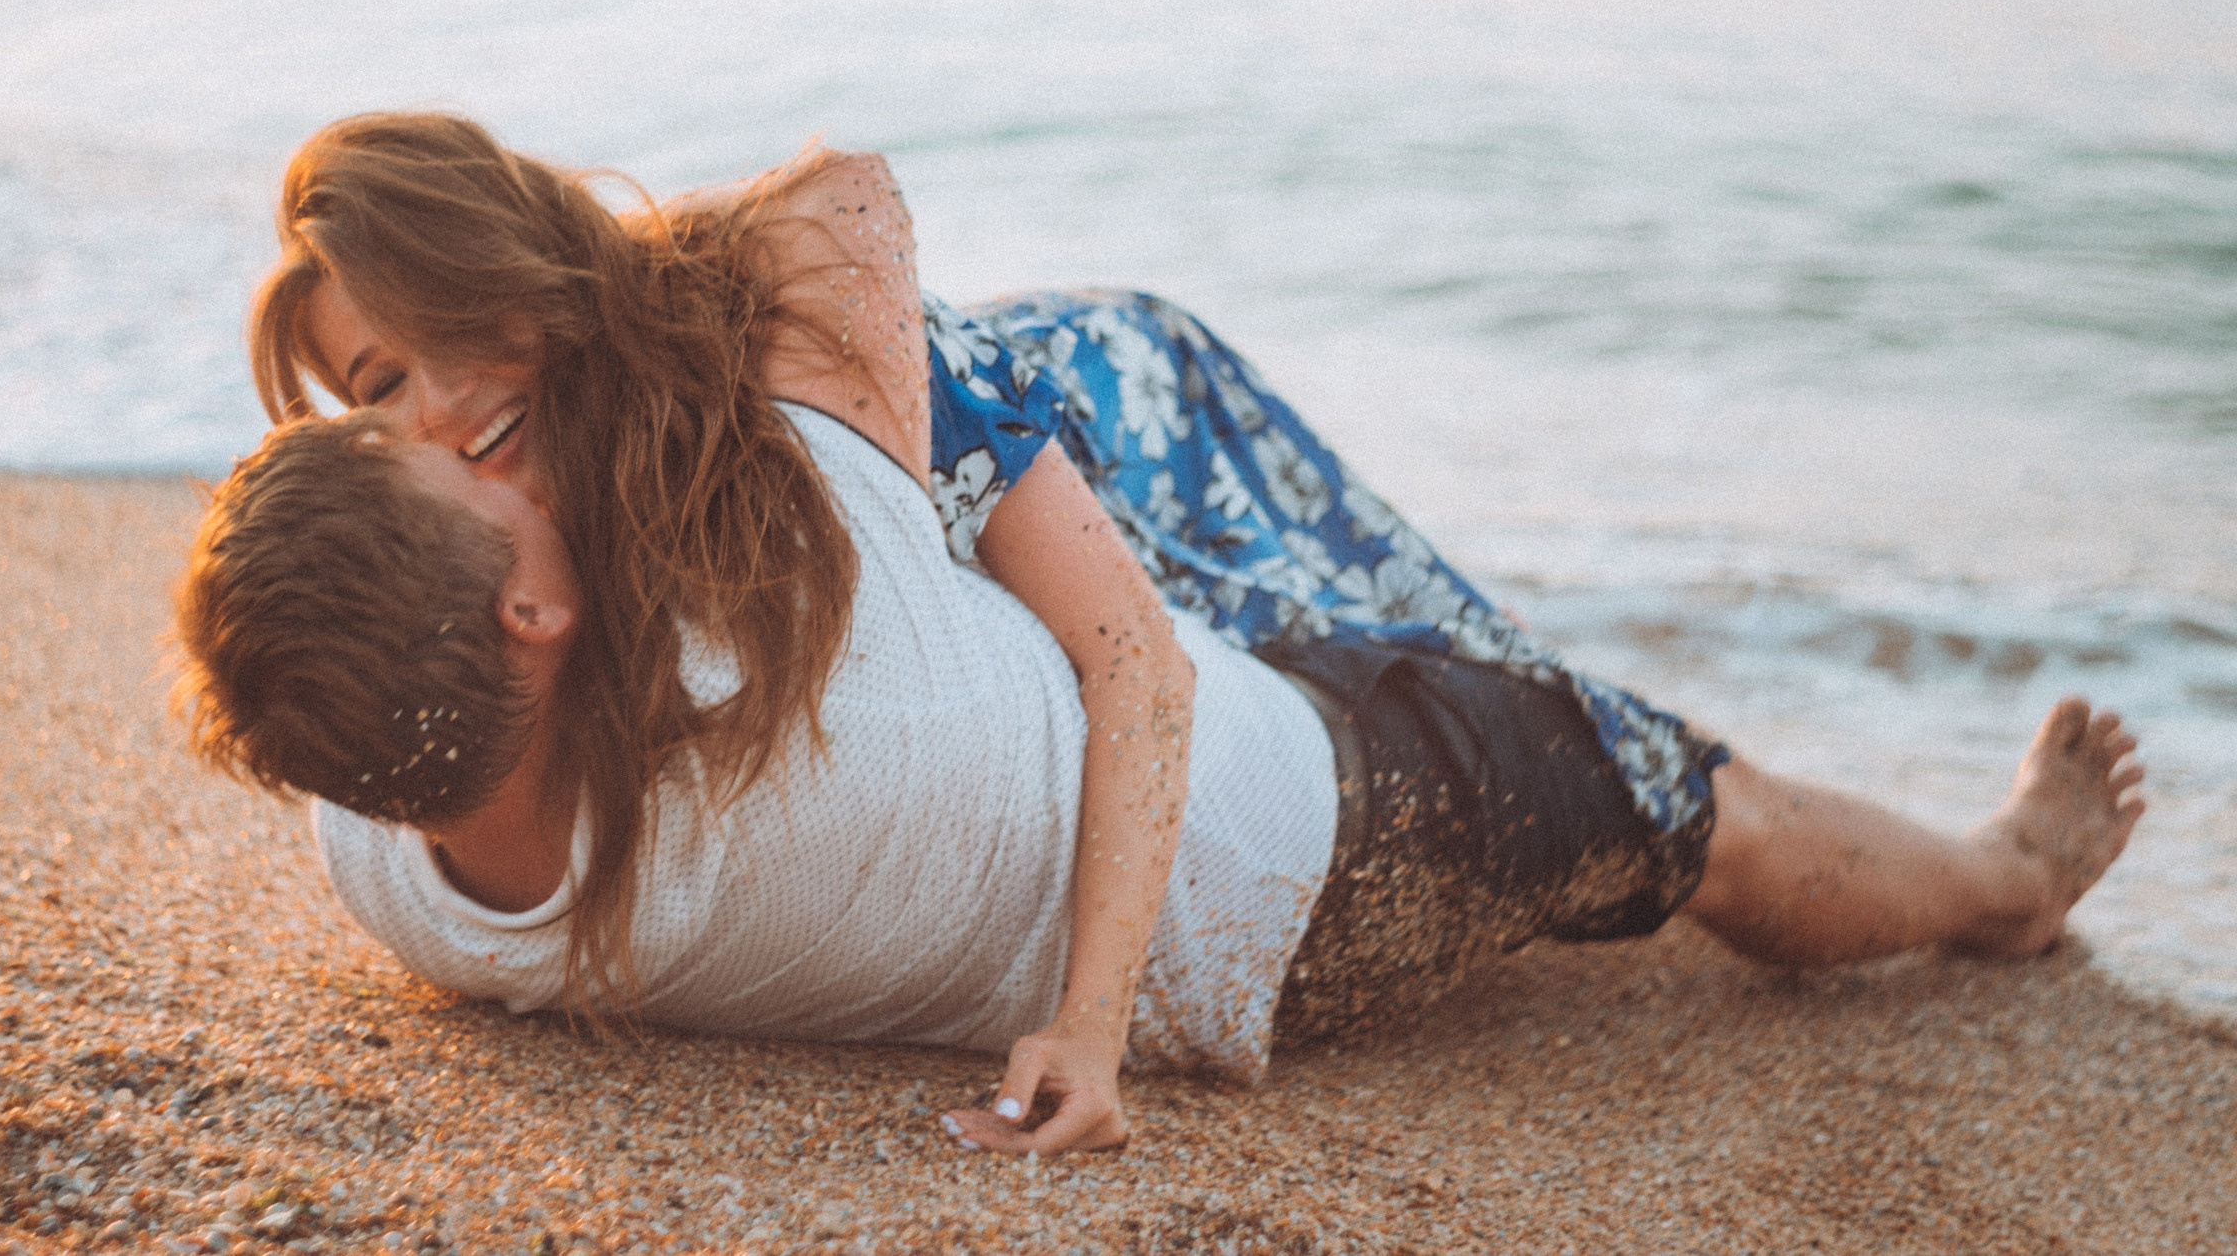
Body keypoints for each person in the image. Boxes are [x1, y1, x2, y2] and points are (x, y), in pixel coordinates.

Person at [171, 112, 2145, 1158]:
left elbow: (1123, 649)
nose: (413, 421)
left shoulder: (745, 411)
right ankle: (1985, 886)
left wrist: (1095, 1024)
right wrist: (1099, 1024)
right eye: (361, 401)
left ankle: (1857, 840)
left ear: (509, 275)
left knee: (1478, 666)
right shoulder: (578, 566)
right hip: (1093, 631)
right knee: (1616, 773)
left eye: (419, 360)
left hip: (1106, 434)